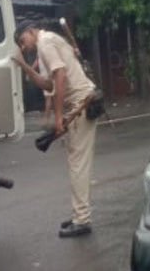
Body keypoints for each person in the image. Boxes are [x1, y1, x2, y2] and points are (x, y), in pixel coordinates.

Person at [13, 22, 98, 238]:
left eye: (22, 41)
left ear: (30, 32)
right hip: (80, 102)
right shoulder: (46, 45)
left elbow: (60, 76)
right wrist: (24, 66)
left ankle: (82, 219)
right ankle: (80, 214)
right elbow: (49, 84)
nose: (24, 47)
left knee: (78, 164)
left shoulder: (45, 42)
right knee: (76, 162)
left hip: (80, 103)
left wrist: (58, 116)